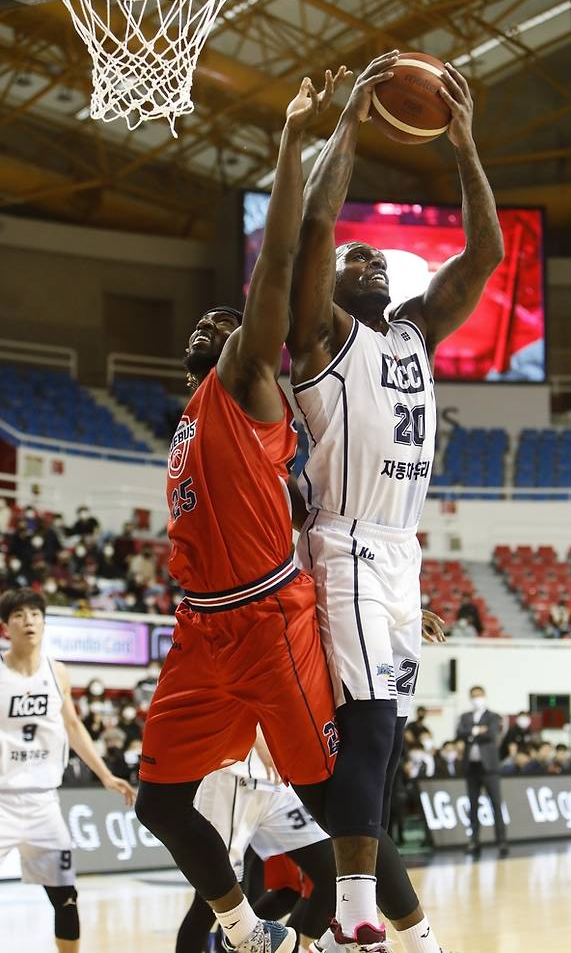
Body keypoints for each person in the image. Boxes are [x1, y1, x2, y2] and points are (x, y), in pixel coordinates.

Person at [288, 48, 502, 952]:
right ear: (332, 284)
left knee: (365, 752)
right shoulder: (320, 335)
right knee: (370, 726)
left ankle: (313, 913)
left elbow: (485, 252)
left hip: (399, 553)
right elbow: (314, 227)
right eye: (356, 255)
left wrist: (463, 146)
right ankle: (351, 909)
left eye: (381, 256)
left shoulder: (415, 331)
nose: (368, 256)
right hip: (341, 545)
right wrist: (349, 124)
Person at [135, 74, 345, 953]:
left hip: (267, 617)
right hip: (201, 630)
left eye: (232, 323)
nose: (217, 327)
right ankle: (245, 927)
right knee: (158, 803)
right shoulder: (188, 418)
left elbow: (283, 261)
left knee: (337, 809)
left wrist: (295, 139)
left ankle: (361, 927)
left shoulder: (244, 382)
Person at [0, 587, 135, 953]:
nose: (28, 620)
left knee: (66, 897)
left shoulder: (57, 672)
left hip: (44, 803)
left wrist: (105, 775)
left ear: (44, 622)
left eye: (35, 614)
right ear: (5, 626)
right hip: (1, 801)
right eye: (18, 615)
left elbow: (73, 727)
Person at [175, 732, 335, 953]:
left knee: (332, 872)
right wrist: (258, 741)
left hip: (276, 780)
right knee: (213, 895)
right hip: (232, 774)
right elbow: (240, 699)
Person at [456, 685, 508, 857]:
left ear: (484, 696)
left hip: (489, 768)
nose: (476, 698)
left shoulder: (493, 716)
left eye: (479, 695)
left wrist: (472, 733)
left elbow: (491, 734)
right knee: (473, 806)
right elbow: (460, 733)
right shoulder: (465, 716)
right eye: (473, 696)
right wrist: (477, 731)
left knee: (496, 804)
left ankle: (501, 841)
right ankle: (474, 841)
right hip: (472, 767)